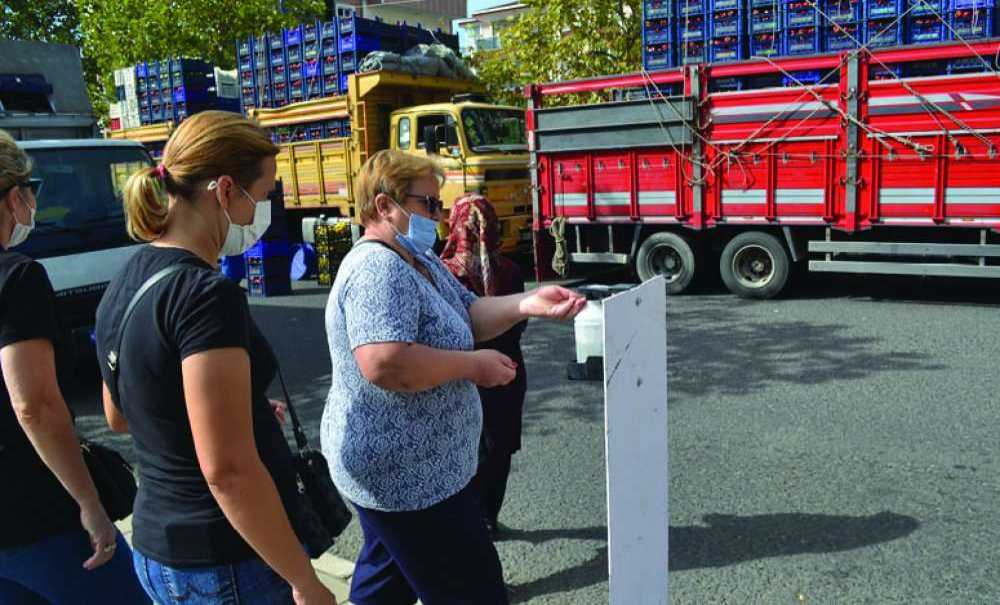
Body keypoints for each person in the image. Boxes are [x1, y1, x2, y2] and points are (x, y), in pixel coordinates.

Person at [322, 149, 586, 605]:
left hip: (413, 470)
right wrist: (472, 367)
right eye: (429, 204)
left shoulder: (414, 261)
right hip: (407, 476)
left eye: (441, 205)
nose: (440, 216)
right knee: (473, 590)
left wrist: (528, 303)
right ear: (385, 206)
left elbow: (470, 313)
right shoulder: (377, 268)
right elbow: (384, 362)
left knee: (388, 577)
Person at [93, 111, 335, 605]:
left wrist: (235, 411)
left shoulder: (127, 276)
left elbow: (120, 413)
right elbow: (227, 471)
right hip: (225, 561)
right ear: (225, 190)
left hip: (159, 547)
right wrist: (305, 582)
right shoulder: (206, 295)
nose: (262, 212)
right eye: (262, 196)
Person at [0, 129, 147, 603]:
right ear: (11, 196)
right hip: (33, 513)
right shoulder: (17, 278)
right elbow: (35, 406)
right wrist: (89, 503)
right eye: (30, 189)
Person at [440, 194, 527, 539]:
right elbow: (518, 324)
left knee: (466, 454)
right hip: (508, 373)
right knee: (499, 450)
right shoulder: (511, 271)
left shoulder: (445, 274)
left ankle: (472, 525)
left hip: (462, 375)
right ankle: (488, 517)